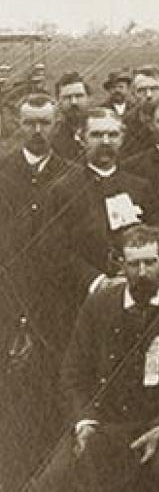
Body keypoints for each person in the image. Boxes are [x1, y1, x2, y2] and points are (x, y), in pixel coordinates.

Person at [30, 225, 159, 492]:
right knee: (53, 480)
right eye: (134, 264)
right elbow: (73, 374)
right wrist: (84, 420)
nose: (143, 273)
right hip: (105, 421)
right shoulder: (97, 306)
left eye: (150, 262)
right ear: (121, 264)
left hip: (158, 423)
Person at [0, 93, 74, 489]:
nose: (38, 131)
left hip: (55, 304)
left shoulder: (70, 173)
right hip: (8, 300)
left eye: (45, 123)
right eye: (30, 123)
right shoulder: (3, 172)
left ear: (56, 123)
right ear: (18, 123)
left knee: (51, 389)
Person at [47, 107, 158, 294]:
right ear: (81, 139)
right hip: (84, 291)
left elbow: (156, 233)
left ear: (122, 139)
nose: (105, 141)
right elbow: (56, 248)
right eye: (97, 135)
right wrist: (96, 281)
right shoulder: (63, 190)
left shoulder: (141, 187)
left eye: (112, 135)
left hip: (138, 285)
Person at [120, 66, 159, 158]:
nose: (149, 95)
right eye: (142, 90)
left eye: (154, 89)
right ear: (133, 93)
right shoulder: (125, 123)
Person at [52, 71, 90, 160]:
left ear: (88, 98)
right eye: (67, 97)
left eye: (79, 96)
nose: (74, 102)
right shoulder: (52, 137)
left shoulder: (103, 130)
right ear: (58, 101)